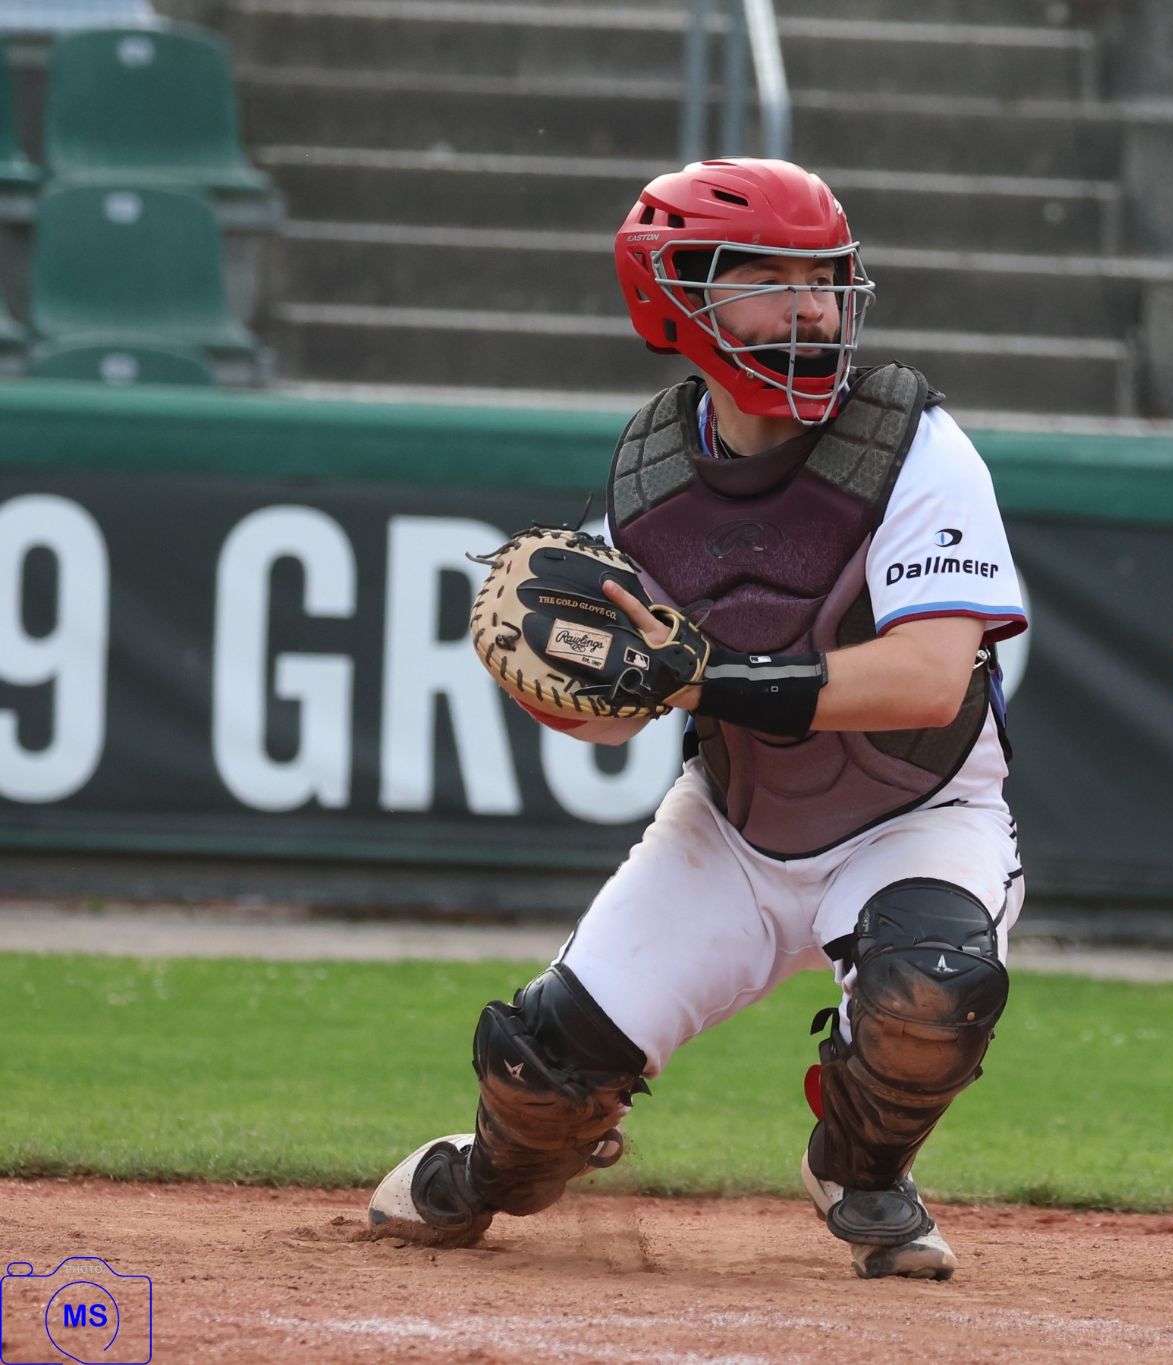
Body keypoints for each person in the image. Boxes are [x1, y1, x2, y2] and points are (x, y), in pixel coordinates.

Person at [367, 158, 1029, 1282]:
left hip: (916, 813)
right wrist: (557, 685)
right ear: (671, 297)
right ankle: (485, 1171)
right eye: (766, 279)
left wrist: (702, 678)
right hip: (728, 828)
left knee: (932, 993)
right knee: (537, 1081)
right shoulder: (647, 472)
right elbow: (612, 727)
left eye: (824, 279)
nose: (810, 308)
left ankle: (860, 1168)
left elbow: (928, 678)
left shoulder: (914, 444)